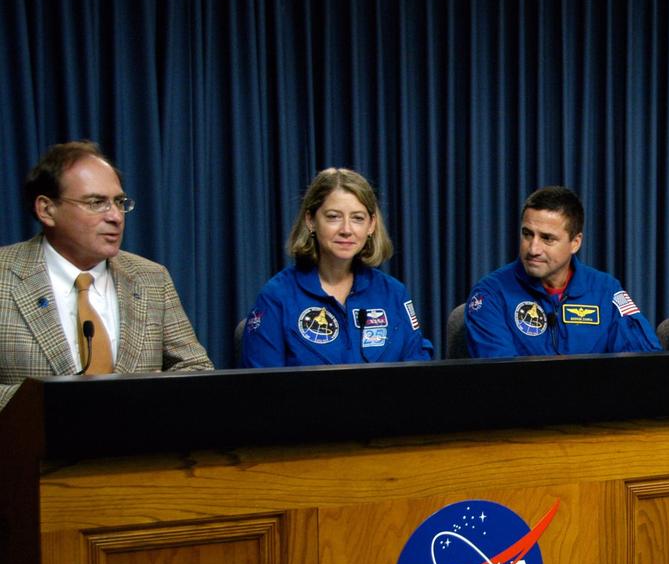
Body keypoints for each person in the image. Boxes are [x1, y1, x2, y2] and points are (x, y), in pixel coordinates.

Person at [0, 140, 213, 409]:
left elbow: (196, 367)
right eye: (96, 202)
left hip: (136, 447)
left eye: (119, 202)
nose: (115, 216)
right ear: (47, 209)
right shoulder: (5, 276)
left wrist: (156, 393)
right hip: (31, 448)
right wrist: (51, 403)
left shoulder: (151, 278)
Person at [240, 168, 434, 366]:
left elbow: (418, 372)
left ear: (371, 225)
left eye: (358, 218)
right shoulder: (277, 297)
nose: (346, 230)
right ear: (311, 221)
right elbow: (261, 387)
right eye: (333, 217)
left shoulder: (394, 293)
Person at [465, 185, 660, 357]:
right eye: (527, 234)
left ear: (575, 243)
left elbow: (644, 362)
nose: (533, 249)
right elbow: (497, 378)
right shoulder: (490, 294)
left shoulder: (606, 290)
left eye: (547, 238)